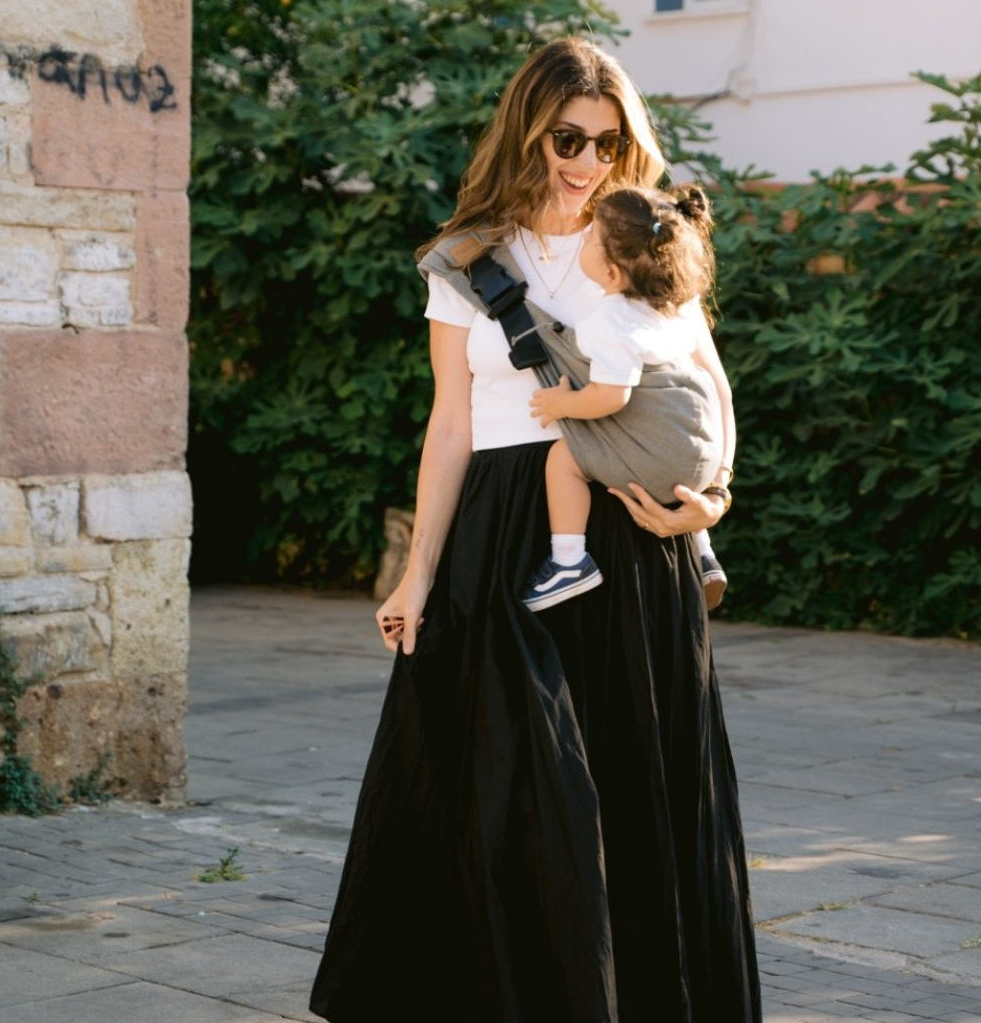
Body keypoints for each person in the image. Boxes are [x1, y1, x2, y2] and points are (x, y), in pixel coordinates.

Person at [310, 36, 762, 1023]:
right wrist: (414, 577)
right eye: (568, 137)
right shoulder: (469, 257)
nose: (587, 162)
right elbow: (451, 425)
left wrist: (714, 501)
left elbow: (709, 393)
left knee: (633, 792)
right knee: (521, 782)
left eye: (609, 143)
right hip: (501, 536)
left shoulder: (648, 243)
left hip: (639, 543)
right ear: (529, 127)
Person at [520, 183, 736, 612]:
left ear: (613, 273)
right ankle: (703, 549)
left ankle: (568, 561)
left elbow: (610, 397)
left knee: (563, 460)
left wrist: (561, 405)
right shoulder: (673, 306)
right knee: (675, 451)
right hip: (702, 457)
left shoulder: (610, 321)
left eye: (591, 238)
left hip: (658, 461)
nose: (583, 238)